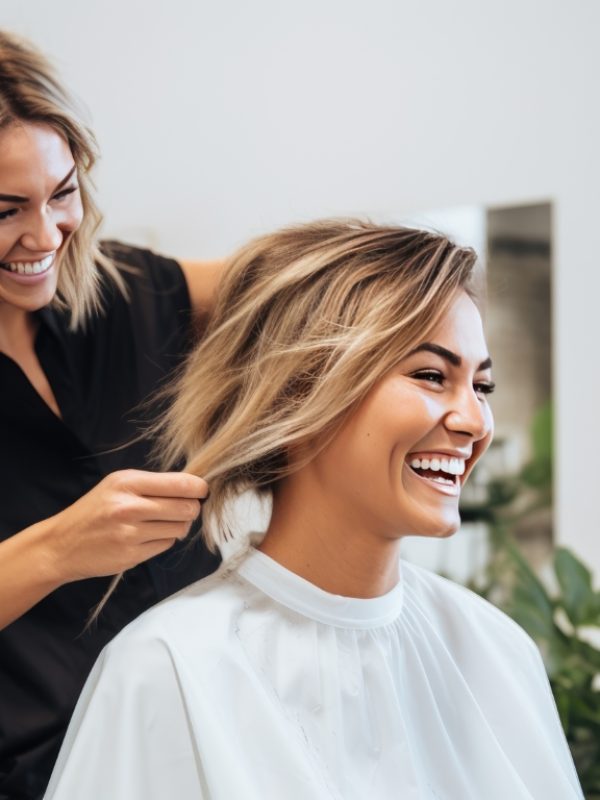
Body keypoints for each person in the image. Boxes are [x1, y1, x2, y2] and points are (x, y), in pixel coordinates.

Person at [44, 220, 583, 799]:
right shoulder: (166, 668)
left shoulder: (498, 654)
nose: (475, 422)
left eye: (482, 386)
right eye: (431, 375)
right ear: (299, 393)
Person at [0, 30, 223, 799]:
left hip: (214, 743)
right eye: (6, 210)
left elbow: (288, 281)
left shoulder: (124, 291)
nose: (44, 235)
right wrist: (58, 548)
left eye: (62, 194)